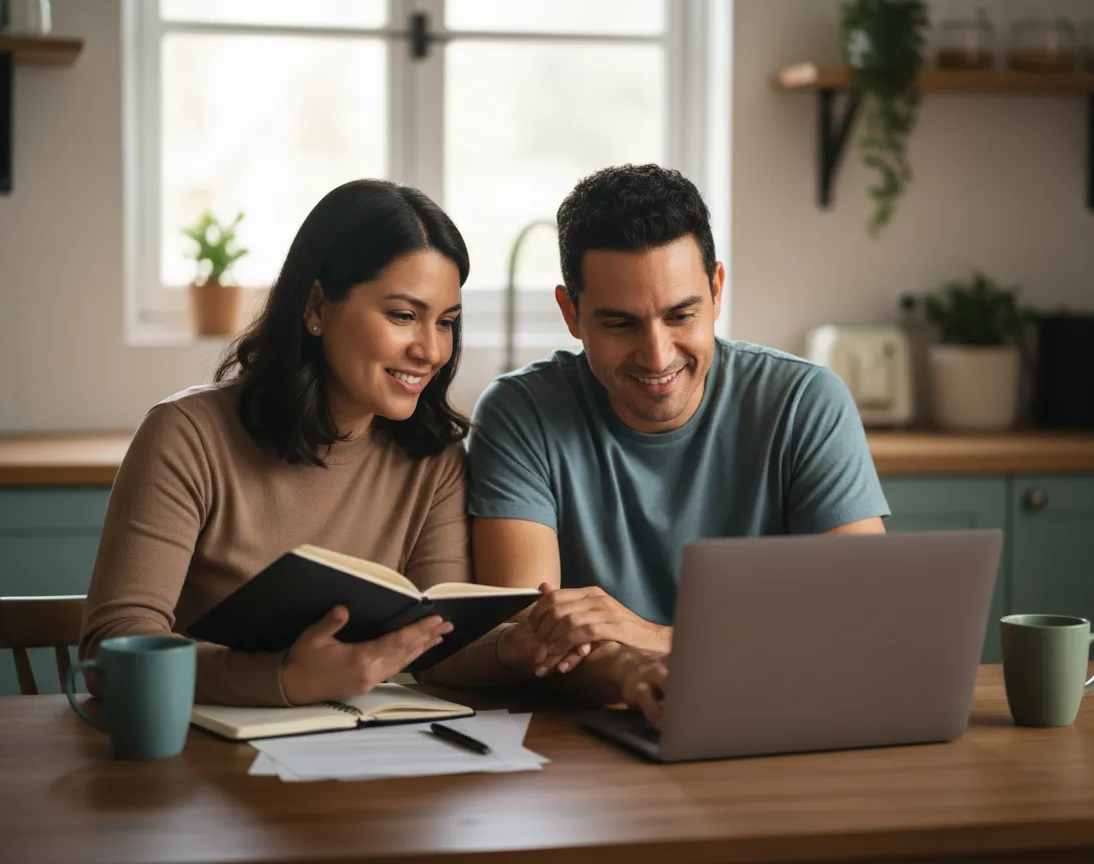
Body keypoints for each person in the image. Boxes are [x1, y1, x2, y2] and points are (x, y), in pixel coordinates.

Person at [79, 178, 542, 707]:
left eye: (447, 323)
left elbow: (434, 646)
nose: (432, 350)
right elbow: (113, 648)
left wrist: (517, 647)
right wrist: (282, 679)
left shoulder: (432, 459)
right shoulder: (187, 437)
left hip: (358, 759)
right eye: (403, 315)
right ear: (317, 306)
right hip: (199, 762)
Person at [464, 163, 891, 691]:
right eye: (620, 323)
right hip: (595, 739)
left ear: (716, 290)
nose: (657, 355)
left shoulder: (804, 402)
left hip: (780, 711)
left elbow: (864, 619)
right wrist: (638, 669)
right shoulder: (519, 414)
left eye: (680, 315)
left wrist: (651, 637)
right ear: (571, 313)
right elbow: (533, 640)